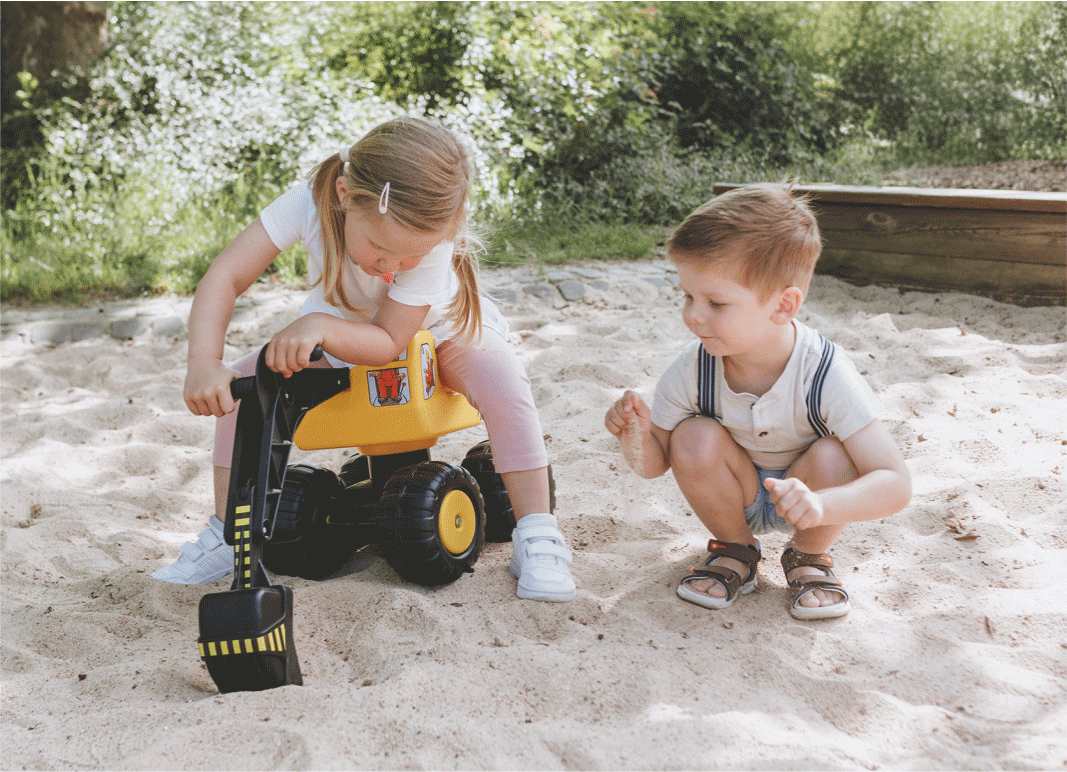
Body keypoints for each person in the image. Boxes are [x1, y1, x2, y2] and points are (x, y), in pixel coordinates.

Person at [153, 116, 575, 602]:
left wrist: (318, 327)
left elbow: (388, 342)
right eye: (380, 248)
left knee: (502, 377)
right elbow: (225, 275)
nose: (392, 268)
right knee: (247, 388)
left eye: (410, 257)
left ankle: (537, 534)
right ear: (343, 193)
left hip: (434, 334)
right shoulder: (308, 202)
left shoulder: (428, 242)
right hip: (345, 339)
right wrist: (204, 362)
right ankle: (230, 535)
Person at [604, 184, 910, 619]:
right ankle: (735, 549)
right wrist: (634, 434)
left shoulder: (825, 373)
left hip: (811, 496)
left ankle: (807, 557)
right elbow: (654, 465)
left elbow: (896, 484)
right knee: (692, 435)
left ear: (784, 305)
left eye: (716, 302)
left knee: (835, 454)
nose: (694, 315)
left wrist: (822, 506)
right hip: (736, 492)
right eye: (688, 296)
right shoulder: (693, 369)